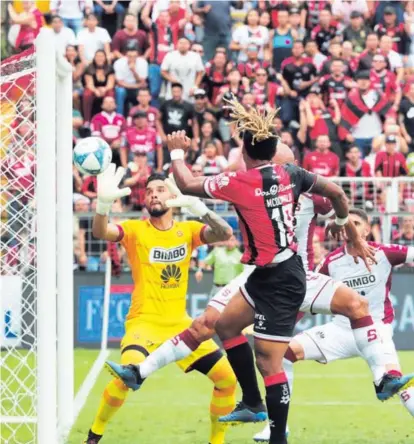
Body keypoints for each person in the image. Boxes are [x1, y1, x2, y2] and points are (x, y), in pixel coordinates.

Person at [110, 97, 376, 444]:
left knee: (269, 364)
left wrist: (176, 152)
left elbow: (187, 182)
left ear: (247, 153)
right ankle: (151, 376)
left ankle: (277, 434)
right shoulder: (292, 174)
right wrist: (347, 227)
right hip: (266, 273)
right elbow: (338, 193)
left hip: (283, 279)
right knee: (223, 324)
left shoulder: (239, 182)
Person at [84, 166, 236, 444]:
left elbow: (225, 232)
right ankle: (93, 436)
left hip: (181, 325)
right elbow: (100, 231)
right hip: (144, 323)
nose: (153, 195)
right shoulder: (134, 230)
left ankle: (217, 442)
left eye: (160, 190)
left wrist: (199, 208)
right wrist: (103, 205)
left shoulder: (188, 230)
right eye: (149, 192)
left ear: (173, 195)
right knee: (126, 376)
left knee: (227, 381)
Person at [253, 208, 414, 441]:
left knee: (398, 385)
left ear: (367, 230)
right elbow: (307, 296)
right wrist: (284, 325)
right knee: (282, 355)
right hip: (340, 330)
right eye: (347, 223)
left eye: (357, 223)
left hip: (375, 330)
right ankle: (278, 426)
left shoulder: (384, 253)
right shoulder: (332, 261)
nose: (351, 227)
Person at [82, 50, 115, 123]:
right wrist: (95, 90)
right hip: (93, 89)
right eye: (97, 56)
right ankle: (87, 120)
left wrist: (104, 89)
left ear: (105, 58)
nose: (99, 58)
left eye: (102, 56)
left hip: (105, 89)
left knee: (110, 93)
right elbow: (89, 84)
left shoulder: (109, 68)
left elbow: (110, 84)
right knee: (87, 94)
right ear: (94, 58)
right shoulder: (89, 68)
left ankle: (111, 118)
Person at [114, 46, 148, 115]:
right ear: (126, 56)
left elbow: (142, 82)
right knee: (120, 91)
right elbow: (120, 83)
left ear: (137, 56)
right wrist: (136, 86)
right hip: (124, 88)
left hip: (137, 88)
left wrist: (133, 71)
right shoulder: (119, 63)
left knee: (143, 93)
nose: (132, 58)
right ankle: (119, 117)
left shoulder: (143, 63)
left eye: (134, 56)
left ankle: (143, 116)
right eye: (130, 56)